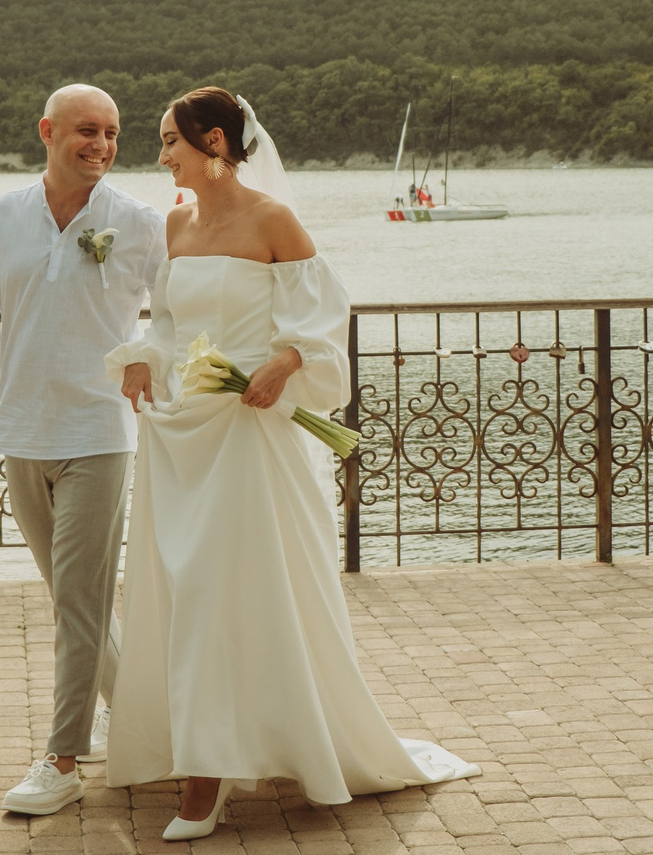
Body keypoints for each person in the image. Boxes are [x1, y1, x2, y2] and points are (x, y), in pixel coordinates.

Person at [107, 88, 478, 841]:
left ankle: (207, 777)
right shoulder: (177, 223)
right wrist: (145, 358)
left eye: (169, 140)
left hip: (249, 435)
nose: (161, 155)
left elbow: (321, 318)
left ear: (213, 143)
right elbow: (170, 323)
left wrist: (282, 360)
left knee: (233, 592)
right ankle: (196, 748)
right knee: (181, 589)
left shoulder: (272, 220)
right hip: (183, 433)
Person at [0, 84, 166, 818]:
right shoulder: (1, 217)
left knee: (77, 604)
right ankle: (142, 721)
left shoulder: (139, 222)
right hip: (22, 436)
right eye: (87, 131)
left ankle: (62, 760)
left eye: (113, 134)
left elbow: (186, 312)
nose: (100, 145)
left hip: (99, 434)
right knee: (78, 600)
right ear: (48, 132)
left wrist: (147, 354)